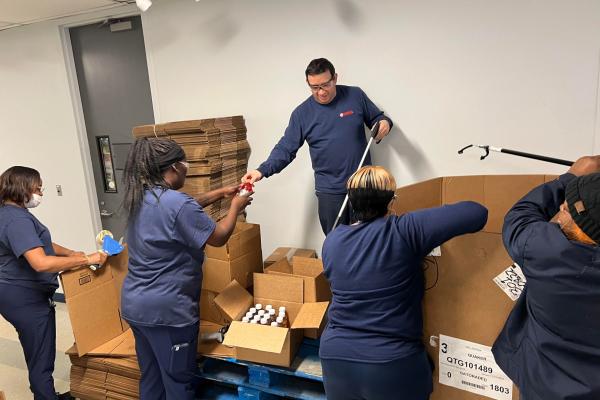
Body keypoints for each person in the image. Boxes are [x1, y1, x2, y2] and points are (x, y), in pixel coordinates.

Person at [320, 166, 488, 400]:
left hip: (335, 357)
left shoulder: (333, 241)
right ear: (391, 201)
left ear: (351, 201)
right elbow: (477, 212)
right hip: (391, 362)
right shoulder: (405, 230)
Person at [120, 137, 252, 399]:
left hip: (136, 306)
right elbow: (218, 237)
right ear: (173, 168)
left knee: (152, 377)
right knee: (179, 382)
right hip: (168, 312)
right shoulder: (178, 204)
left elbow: (180, 209)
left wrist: (218, 194)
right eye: (185, 164)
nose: (187, 168)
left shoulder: (140, 196)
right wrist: (235, 206)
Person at [243, 58, 393, 234]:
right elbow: (285, 148)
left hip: (364, 186)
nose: (321, 92)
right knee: (337, 243)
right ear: (308, 84)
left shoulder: (355, 96)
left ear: (335, 78)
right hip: (330, 192)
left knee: (370, 239)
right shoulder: (302, 114)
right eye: (315, 87)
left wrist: (384, 123)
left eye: (325, 85)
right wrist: (261, 171)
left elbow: (378, 118)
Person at [492, 155, 600, 400]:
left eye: (571, 208)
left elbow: (520, 216)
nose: (562, 207)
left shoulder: (547, 251)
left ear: (587, 233)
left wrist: (569, 179)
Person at [0, 166, 107, 400]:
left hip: (14, 293)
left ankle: (46, 395)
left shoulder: (10, 213)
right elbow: (39, 262)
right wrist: (86, 259)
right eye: (37, 188)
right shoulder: (15, 219)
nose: (41, 193)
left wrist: (69, 253)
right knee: (41, 356)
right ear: (22, 188)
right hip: (24, 297)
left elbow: (40, 242)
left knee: (37, 351)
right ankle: (45, 397)